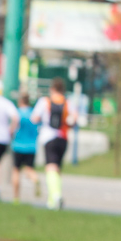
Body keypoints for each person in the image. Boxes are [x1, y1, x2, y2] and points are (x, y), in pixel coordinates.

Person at [31, 78, 74, 210]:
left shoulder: (45, 101)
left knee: (50, 167)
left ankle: (56, 196)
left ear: (52, 89)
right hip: (63, 137)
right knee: (57, 169)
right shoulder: (68, 102)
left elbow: (34, 118)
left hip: (49, 137)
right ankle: (52, 201)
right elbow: (74, 119)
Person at [11, 91, 41, 203]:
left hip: (18, 145)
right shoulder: (34, 114)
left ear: (20, 101)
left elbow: (13, 128)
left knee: (16, 170)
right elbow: (38, 129)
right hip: (31, 146)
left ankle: (16, 198)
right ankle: (36, 179)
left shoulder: (17, 113)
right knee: (29, 169)